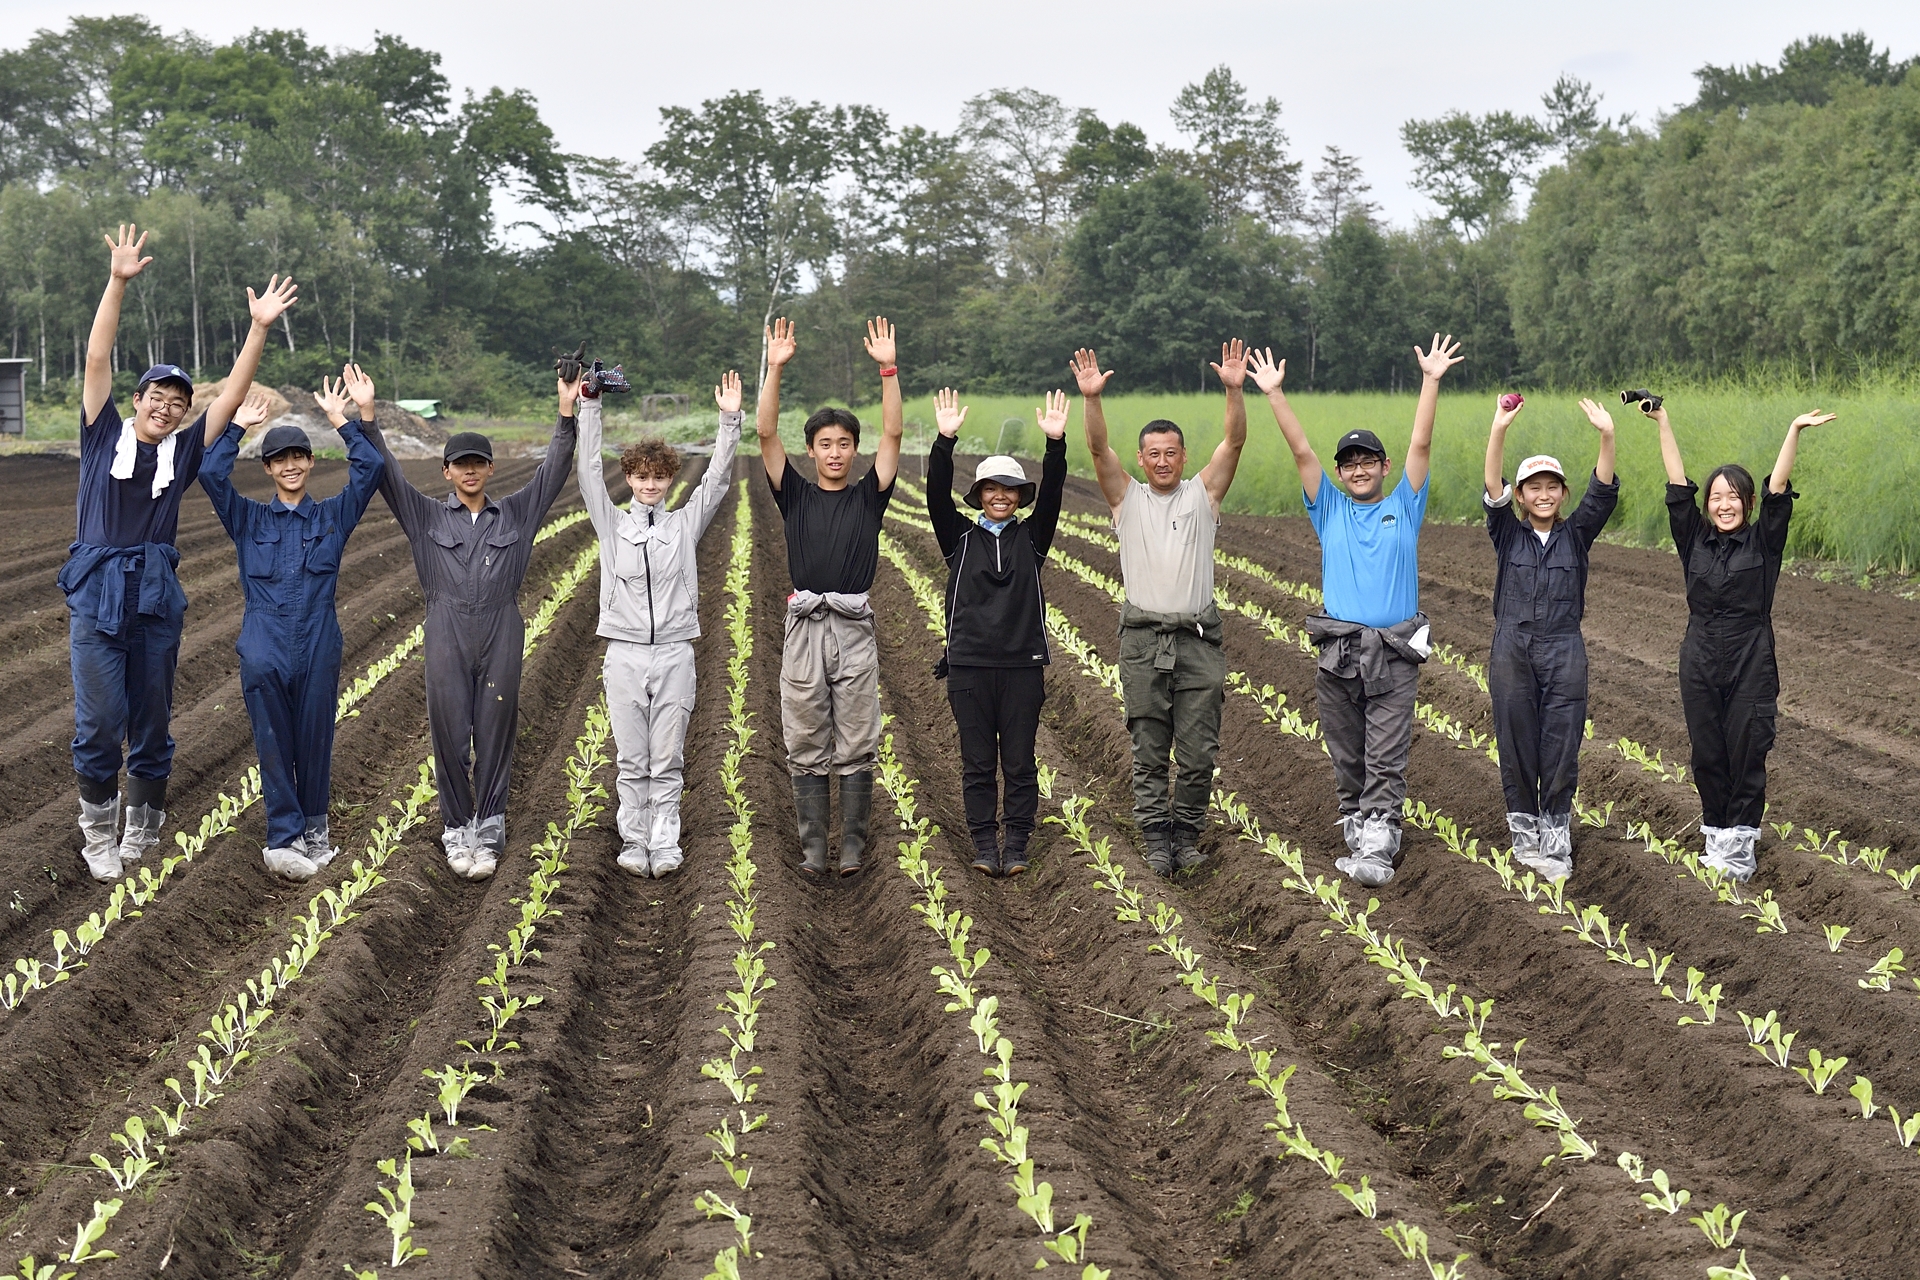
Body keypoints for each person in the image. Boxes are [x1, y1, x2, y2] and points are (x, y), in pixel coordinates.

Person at [64, 222, 299, 882]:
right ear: (136, 401)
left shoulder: (184, 451)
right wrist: (116, 282)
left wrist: (257, 328)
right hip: (97, 594)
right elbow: (96, 362)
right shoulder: (100, 436)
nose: (167, 408)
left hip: (155, 596)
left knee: (152, 720)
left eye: (177, 402)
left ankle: (142, 825)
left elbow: (229, 398)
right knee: (100, 721)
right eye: (157, 398)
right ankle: (95, 830)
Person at [1250, 335, 1464, 888]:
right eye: (1350, 464)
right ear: (1341, 474)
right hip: (1338, 649)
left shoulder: (1404, 506)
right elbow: (1302, 452)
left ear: (1384, 467)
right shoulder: (1330, 511)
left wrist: (1430, 380)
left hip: (1392, 649)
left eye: (1368, 461)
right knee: (1346, 747)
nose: (1359, 469)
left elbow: (1422, 443)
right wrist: (1274, 393)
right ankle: (1355, 817)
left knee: (1387, 746)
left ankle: (1381, 832)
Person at [360, 359, 580, 881]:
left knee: (497, 729)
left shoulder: (518, 515)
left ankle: (492, 824)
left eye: (478, 462)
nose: (471, 471)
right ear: (447, 471)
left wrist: (566, 411)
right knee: (451, 731)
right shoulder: (426, 517)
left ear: (489, 466)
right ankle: (458, 826)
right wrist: (368, 417)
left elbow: (554, 469)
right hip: (446, 628)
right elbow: (386, 472)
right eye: (461, 464)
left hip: (501, 626)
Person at [1070, 342, 1247, 878]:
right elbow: (1099, 451)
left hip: (1197, 640)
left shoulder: (1203, 496)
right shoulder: (1127, 500)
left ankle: (1187, 835)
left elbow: (1235, 441)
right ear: (1142, 458)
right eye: (1154, 454)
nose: (1163, 461)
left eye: (1172, 452)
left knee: (1197, 752)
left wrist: (1235, 391)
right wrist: (1092, 400)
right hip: (1144, 642)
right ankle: (1154, 836)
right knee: (1149, 747)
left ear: (1184, 457)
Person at [198, 376, 386, 879]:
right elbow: (211, 473)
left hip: (319, 639)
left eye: (298, 456)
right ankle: (283, 837)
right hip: (264, 642)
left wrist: (340, 421)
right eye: (279, 459)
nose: (290, 465)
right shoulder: (248, 519)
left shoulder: (332, 517)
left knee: (316, 737)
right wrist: (237, 427)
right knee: (273, 741)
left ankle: (316, 831)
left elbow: (370, 468)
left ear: (309, 461)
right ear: (268, 468)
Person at [1652, 397, 1833, 882]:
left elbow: (1778, 491)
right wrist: (1663, 421)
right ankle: (1717, 838)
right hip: (1700, 655)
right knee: (1708, 750)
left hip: (1752, 656)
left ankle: (1741, 846)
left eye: (1733, 497)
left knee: (1748, 747)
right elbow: (1675, 486)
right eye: (1716, 497)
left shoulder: (1763, 542)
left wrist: (1794, 429)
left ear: (1748, 504)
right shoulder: (1693, 539)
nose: (1723, 504)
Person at [576, 365, 743, 878]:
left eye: (659, 476)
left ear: (670, 479)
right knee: (631, 757)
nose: (650, 484)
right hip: (624, 653)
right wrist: (590, 405)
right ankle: (633, 839)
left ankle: (664, 839)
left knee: (667, 755)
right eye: (641, 476)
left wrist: (729, 422)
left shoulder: (682, 527)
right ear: (628, 478)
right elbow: (585, 469)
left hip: (674, 651)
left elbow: (716, 481)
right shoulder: (612, 525)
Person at [758, 316, 903, 877]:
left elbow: (893, 434)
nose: (836, 453)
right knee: (805, 729)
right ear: (812, 452)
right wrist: (775, 368)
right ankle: (814, 847)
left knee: (858, 734)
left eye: (844, 444)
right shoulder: (792, 493)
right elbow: (765, 433)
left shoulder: (870, 497)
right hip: (804, 626)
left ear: (853, 450)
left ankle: (852, 848)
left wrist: (888, 369)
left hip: (852, 625)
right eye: (826, 445)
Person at [926, 387, 1069, 877]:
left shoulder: (1033, 539)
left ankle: (1019, 845)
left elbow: (1052, 496)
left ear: (1019, 496)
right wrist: (945, 441)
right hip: (968, 665)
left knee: (1021, 760)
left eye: (1010, 489)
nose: (1001, 495)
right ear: (980, 494)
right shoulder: (959, 539)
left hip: (1022, 664)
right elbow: (933, 495)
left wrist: (1055, 445)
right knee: (978, 762)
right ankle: (985, 845)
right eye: (991, 488)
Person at [1481, 396, 1619, 882]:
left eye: (1551, 487)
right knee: (1516, 742)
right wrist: (1499, 427)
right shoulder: (1507, 534)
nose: (1543, 494)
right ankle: (1525, 834)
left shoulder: (1576, 535)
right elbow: (1491, 483)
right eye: (1533, 487)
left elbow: (1601, 492)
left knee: (1561, 743)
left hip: (1564, 649)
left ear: (1562, 494)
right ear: (1520, 496)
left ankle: (1555, 837)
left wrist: (1607, 435)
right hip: (1511, 648)